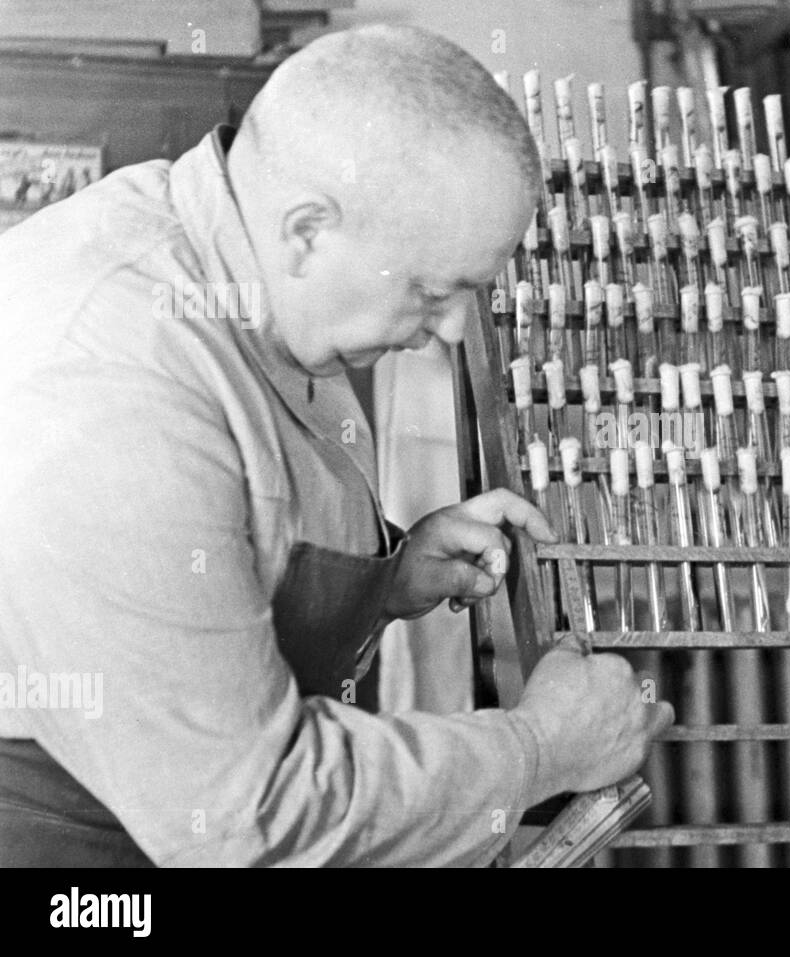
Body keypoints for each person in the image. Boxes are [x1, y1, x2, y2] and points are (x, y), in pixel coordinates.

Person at [0, 24, 673, 867]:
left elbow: (227, 547)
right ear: (309, 230)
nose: (450, 330)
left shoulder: (232, 263)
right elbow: (252, 813)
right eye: (432, 290)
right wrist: (539, 748)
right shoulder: (106, 379)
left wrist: (385, 580)